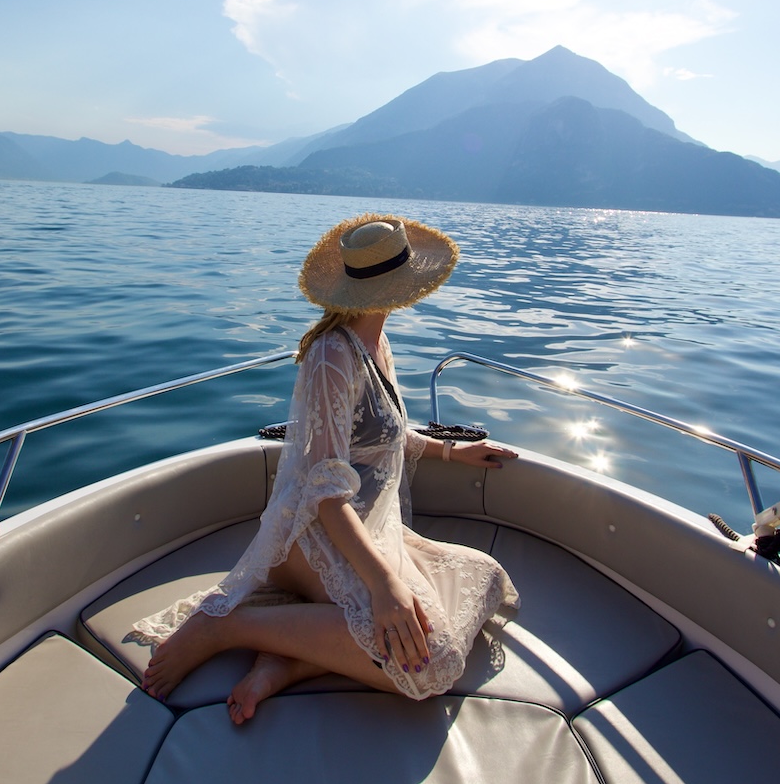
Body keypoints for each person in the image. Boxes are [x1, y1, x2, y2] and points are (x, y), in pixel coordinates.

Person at [131, 213, 520, 722]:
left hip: (371, 532)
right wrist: (384, 586)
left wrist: (452, 452)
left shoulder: (376, 343)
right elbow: (325, 491)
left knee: (488, 578)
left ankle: (286, 663)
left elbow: (384, 435)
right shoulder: (331, 356)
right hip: (317, 535)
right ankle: (226, 627)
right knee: (432, 662)